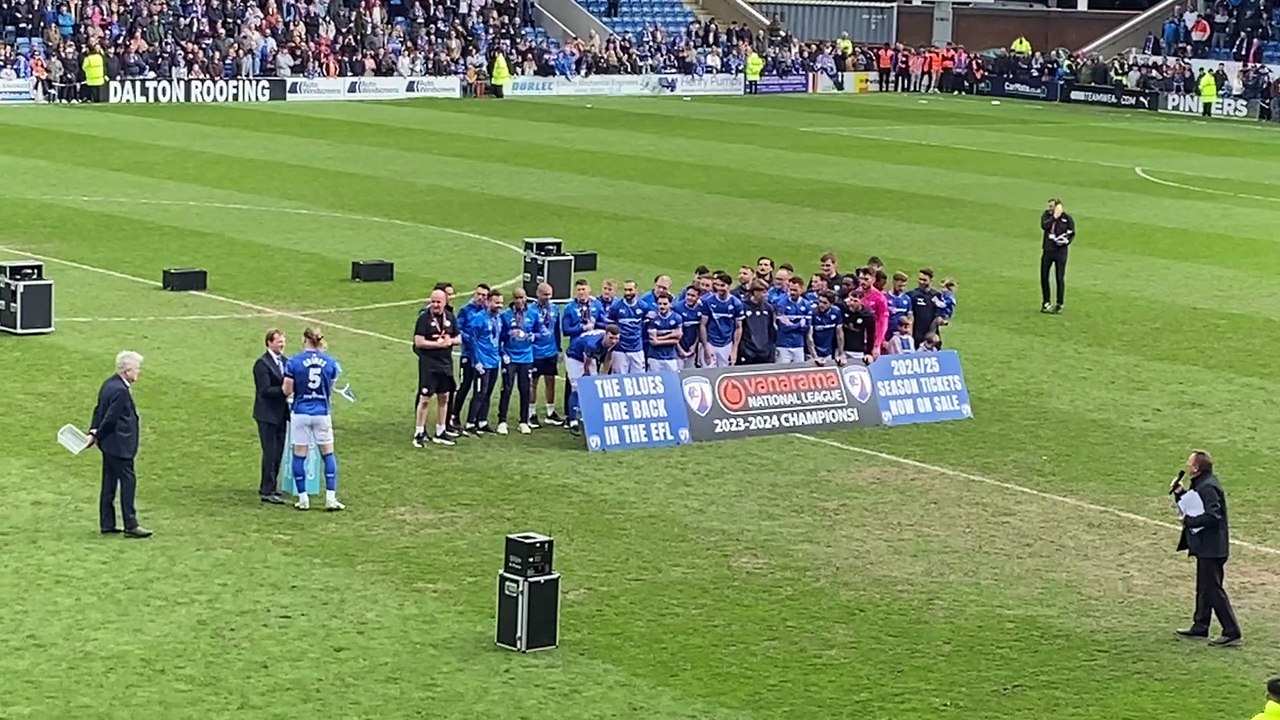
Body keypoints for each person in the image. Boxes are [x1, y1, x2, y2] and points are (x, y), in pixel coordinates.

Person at [1171, 450, 1241, 646]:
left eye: (1189, 463)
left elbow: (1212, 516)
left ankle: (1231, 630)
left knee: (1212, 589)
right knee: (1204, 587)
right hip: (1208, 546)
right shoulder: (1204, 484)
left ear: (1196, 467)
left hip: (1212, 547)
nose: (1187, 465)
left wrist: (1189, 521)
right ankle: (1200, 625)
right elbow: (1195, 505)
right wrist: (1181, 495)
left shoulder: (1208, 487)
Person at [87, 350, 151, 538]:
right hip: (120, 446)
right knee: (128, 483)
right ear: (128, 370)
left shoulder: (109, 384)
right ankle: (131, 525)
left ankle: (107, 523)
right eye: (137, 369)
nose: (139, 372)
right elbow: (110, 418)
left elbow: (98, 410)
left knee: (108, 484)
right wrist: (97, 434)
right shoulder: (121, 391)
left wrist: (93, 431)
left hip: (109, 445)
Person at [282, 327, 344, 511]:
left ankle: (303, 498)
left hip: (301, 412)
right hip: (321, 412)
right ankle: (331, 498)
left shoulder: (294, 362)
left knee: (299, 454)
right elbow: (330, 389)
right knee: (328, 454)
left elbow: (287, 390)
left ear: (304, 340)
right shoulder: (331, 362)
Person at [413, 289, 460, 447]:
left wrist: (450, 341)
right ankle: (419, 432)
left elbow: (459, 337)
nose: (435, 305)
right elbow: (418, 342)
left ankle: (441, 430)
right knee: (425, 399)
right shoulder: (424, 318)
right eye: (433, 301)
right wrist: (436, 344)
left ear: (445, 302)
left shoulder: (450, 317)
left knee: (444, 397)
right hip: (429, 365)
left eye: (438, 302)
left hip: (445, 364)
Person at [252, 329, 289, 503]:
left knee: (279, 451)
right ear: (269, 343)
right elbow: (264, 391)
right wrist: (283, 391)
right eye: (279, 342)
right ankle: (267, 490)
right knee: (270, 452)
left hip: (281, 414)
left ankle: (270, 486)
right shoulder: (262, 364)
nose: (282, 345)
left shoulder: (285, 362)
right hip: (267, 415)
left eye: (283, 341)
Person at [497, 287, 539, 435]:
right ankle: (502, 421)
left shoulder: (533, 314)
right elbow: (499, 337)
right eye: (516, 298)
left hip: (526, 357)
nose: (519, 300)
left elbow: (542, 333)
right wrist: (503, 352)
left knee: (525, 389)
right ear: (513, 299)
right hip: (510, 357)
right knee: (507, 388)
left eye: (521, 297)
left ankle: (523, 421)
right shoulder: (505, 316)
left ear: (526, 297)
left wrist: (531, 336)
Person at [564, 325, 621, 432]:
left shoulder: (614, 343)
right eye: (611, 338)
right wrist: (587, 377)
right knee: (577, 387)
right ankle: (572, 420)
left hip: (590, 356)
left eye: (616, 338)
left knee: (594, 387)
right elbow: (586, 365)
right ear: (605, 335)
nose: (613, 341)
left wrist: (603, 375)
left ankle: (587, 415)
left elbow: (608, 357)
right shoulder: (592, 344)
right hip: (575, 356)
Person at [464, 289, 504, 435]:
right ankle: (470, 422)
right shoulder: (478, 318)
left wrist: (502, 354)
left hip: (494, 361)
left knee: (488, 393)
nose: (499, 306)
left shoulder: (498, 318)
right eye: (496, 302)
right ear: (488, 302)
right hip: (482, 362)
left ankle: (482, 421)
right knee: (479, 393)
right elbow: (472, 340)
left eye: (501, 303)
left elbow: (499, 340)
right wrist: (476, 361)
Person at [528, 282, 562, 429]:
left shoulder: (554, 308)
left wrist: (559, 349)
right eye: (545, 294)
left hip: (551, 351)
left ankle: (550, 412)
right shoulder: (530, 310)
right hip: (536, 352)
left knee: (551, 381)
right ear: (538, 294)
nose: (547, 297)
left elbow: (556, 330)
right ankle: (531, 413)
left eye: (549, 294)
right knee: (533, 383)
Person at [700, 271, 744, 367]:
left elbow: (738, 327)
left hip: (727, 344)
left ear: (729, 286)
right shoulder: (708, 301)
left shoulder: (736, 303)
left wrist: (734, 349)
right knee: (708, 373)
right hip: (711, 343)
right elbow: (703, 325)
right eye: (717, 285)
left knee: (725, 373)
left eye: (722, 285)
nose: (719, 288)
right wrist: (705, 346)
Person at [1040, 199, 1074, 314]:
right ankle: (1046, 302)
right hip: (1048, 251)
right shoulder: (1046, 216)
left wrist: (1065, 241)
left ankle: (1060, 303)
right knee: (1044, 276)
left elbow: (1071, 233)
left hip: (1061, 252)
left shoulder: (1067, 218)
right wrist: (1054, 217)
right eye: (1049, 206)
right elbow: (1044, 226)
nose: (1049, 209)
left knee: (1059, 277)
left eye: (1051, 207)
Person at [606, 280, 647, 374]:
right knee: (619, 379)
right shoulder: (616, 307)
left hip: (637, 349)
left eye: (630, 290)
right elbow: (610, 327)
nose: (627, 293)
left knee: (639, 379)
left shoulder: (643, 306)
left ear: (636, 290)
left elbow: (646, 324)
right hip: (620, 350)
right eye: (625, 290)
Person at [774, 276, 811, 364]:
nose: (792, 292)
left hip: (799, 345)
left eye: (795, 290)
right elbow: (784, 328)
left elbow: (806, 327)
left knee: (799, 372)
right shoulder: (781, 304)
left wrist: (791, 324)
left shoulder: (806, 304)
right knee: (782, 371)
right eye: (790, 290)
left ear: (801, 290)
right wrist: (799, 324)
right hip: (783, 345)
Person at [645, 293, 683, 374]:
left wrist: (659, 339)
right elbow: (653, 342)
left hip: (671, 358)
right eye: (660, 304)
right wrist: (672, 336)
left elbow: (678, 338)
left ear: (670, 304)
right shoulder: (652, 318)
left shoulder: (677, 318)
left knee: (672, 381)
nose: (662, 306)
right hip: (654, 358)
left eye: (665, 304)